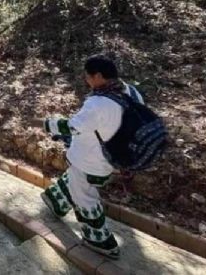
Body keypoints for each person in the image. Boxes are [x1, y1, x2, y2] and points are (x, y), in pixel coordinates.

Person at [40, 54, 144, 259]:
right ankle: (56, 201)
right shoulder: (131, 92)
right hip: (114, 156)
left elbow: (73, 126)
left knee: (85, 197)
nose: (86, 80)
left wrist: (46, 124)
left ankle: (101, 241)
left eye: (88, 76)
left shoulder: (98, 103)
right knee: (75, 180)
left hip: (91, 160)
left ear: (98, 76)